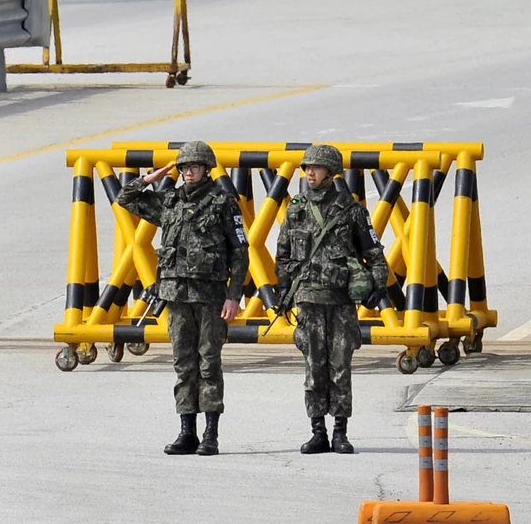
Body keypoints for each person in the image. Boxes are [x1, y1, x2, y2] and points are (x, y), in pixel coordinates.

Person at [117, 141, 249, 456]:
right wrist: (150, 178)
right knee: (183, 363)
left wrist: (233, 296)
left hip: (210, 296)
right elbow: (125, 198)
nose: (188, 172)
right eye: (184, 167)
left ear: (206, 169)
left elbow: (240, 253)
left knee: (209, 363)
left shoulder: (222, 203)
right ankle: (186, 431)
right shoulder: (170, 201)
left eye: (194, 166)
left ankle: (211, 434)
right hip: (176, 296)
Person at [274, 144, 389, 455]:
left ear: (331, 172)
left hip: (340, 303)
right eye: (307, 167)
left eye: (317, 167)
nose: (310, 172)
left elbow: (375, 254)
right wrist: (283, 289)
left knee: (340, 367)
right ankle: (317, 431)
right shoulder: (296, 208)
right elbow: (283, 254)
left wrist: (378, 286)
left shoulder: (351, 211)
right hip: (308, 301)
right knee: (314, 368)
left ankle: (340, 431)